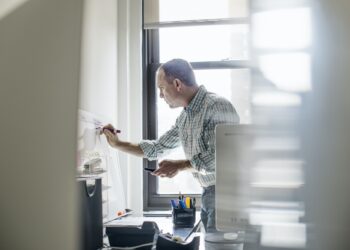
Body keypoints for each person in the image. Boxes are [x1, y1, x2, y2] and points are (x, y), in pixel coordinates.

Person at [102, 58, 239, 232]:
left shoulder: (216, 106)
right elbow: (157, 148)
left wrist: (179, 165)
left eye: (161, 88)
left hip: (226, 196)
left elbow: (221, 159)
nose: (160, 95)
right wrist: (117, 144)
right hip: (209, 195)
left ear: (177, 84)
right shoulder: (185, 118)